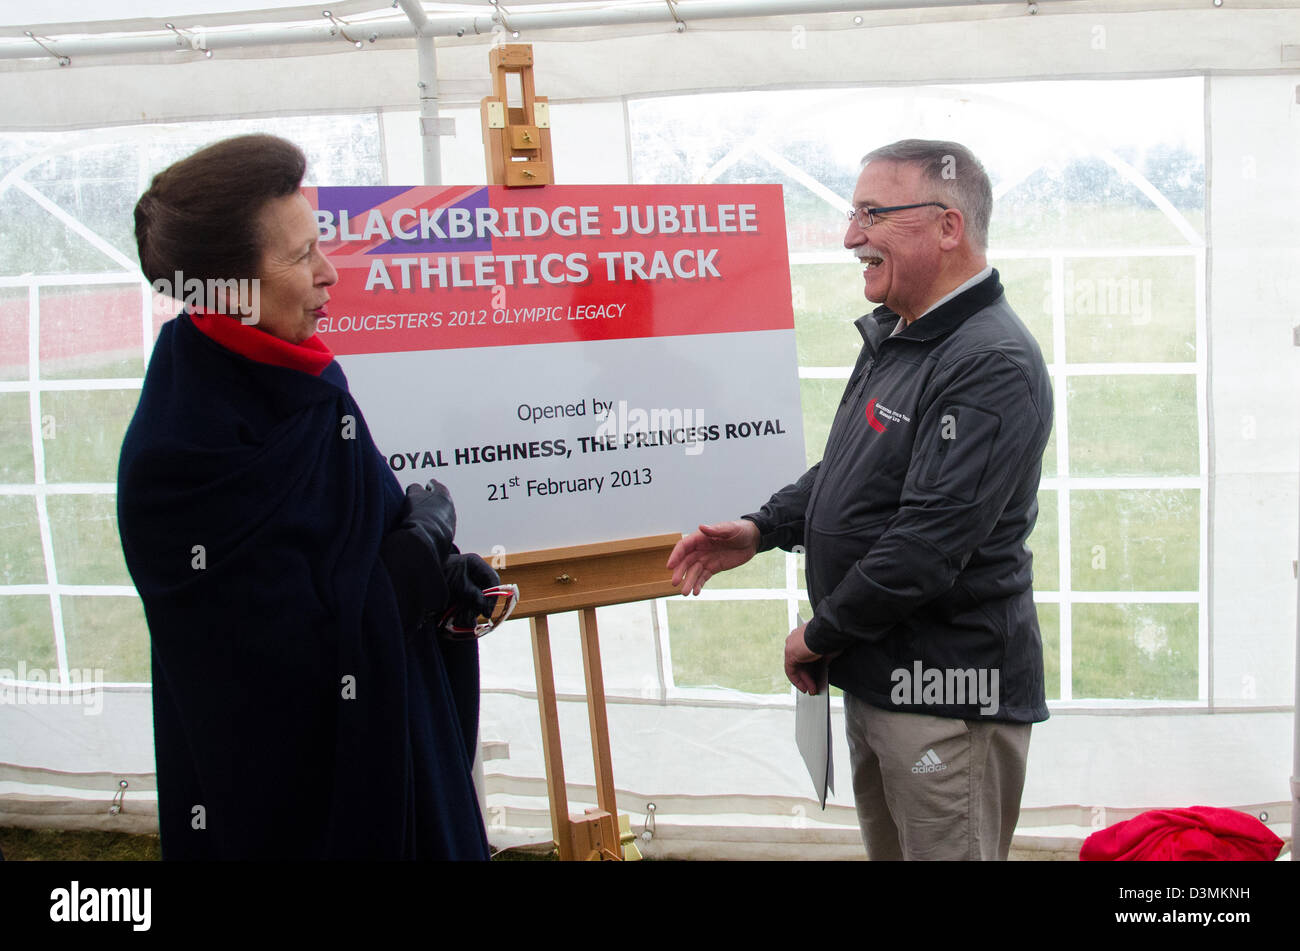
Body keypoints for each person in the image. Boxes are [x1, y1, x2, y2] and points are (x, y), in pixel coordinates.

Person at [668, 139, 1053, 861]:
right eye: (852, 214)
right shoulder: (903, 334)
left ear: (947, 226)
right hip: (878, 677)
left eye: (872, 214)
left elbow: (927, 545)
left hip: (945, 698)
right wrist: (762, 527)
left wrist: (820, 634)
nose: (850, 237)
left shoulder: (988, 361)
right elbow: (854, 467)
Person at [119, 134, 499, 860]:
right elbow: (276, 679)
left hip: (402, 761)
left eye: (318, 245)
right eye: (299, 258)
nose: (328, 273)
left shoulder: (307, 383)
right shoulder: (178, 460)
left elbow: (354, 553)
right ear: (225, 289)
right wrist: (410, 566)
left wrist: (444, 585)